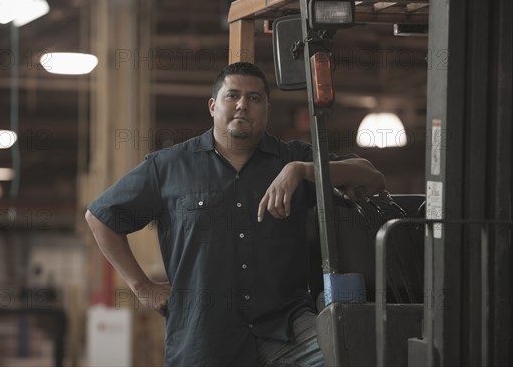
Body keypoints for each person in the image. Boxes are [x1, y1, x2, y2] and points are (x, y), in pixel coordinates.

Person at [85, 62, 385, 366]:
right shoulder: (169, 167)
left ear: (266, 109)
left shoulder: (293, 159)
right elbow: (101, 217)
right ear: (213, 106)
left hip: (287, 329)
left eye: (254, 99)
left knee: (350, 350)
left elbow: (370, 176)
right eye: (233, 96)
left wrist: (303, 171)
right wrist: (142, 287)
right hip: (205, 339)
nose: (243, 105)